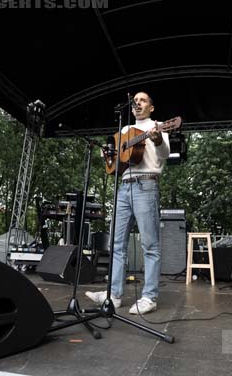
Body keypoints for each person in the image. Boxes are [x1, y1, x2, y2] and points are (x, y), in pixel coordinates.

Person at [86, 91, 170, 315]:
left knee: (150, 246)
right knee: (116, 244)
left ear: (151, 107)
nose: (138, 103)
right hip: (123, 188)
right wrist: (109, 157)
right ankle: (114, 295)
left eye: (143, 100)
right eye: (136, 101)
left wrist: (158, 139)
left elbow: (165, 154)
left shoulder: (158, 125)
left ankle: (149, 297)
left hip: (146, 185)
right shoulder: (124, 131)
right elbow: (114, 159)